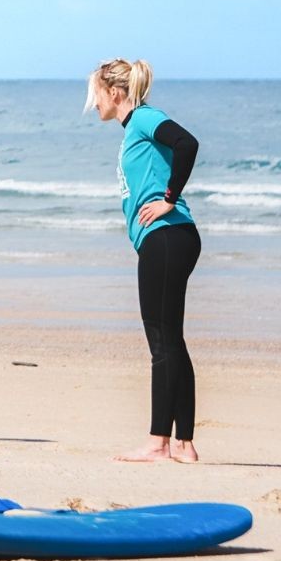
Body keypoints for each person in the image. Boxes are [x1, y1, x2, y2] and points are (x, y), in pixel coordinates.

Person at [86, 59, 201, 463]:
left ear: (114, 92)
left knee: (161, 342)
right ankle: (183, 444)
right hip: (169, 240)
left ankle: (158, 442)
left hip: (166, 237)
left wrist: (168, 199)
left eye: (96, 94)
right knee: (171, 340)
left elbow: (188, 144)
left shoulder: (143, 118)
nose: (93, 103)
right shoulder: (133, 128)